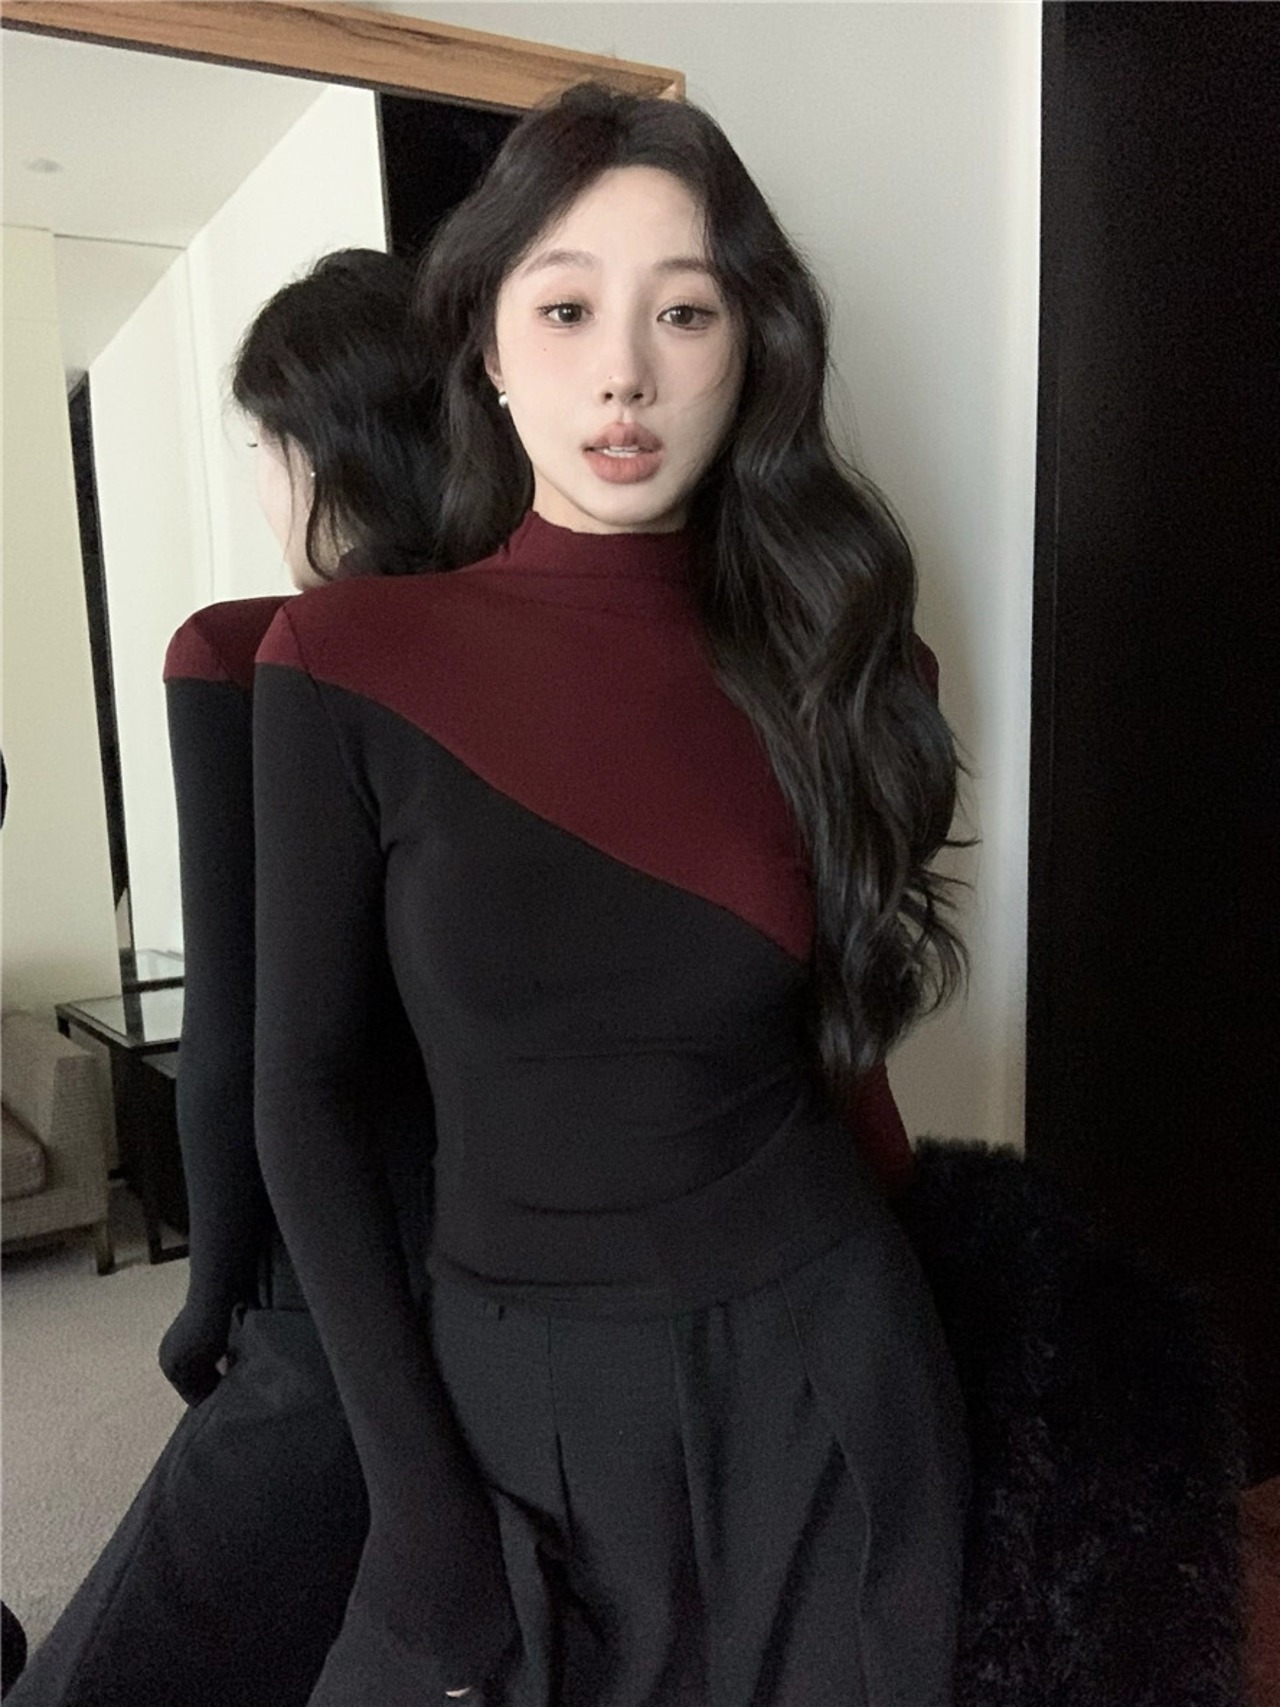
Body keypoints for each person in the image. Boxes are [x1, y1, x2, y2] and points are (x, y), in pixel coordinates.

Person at [252, 84, 970, 1707]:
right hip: (508, 1391)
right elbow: (302, 1094)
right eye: (567, 309)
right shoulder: (348, 661)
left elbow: (841, 1062)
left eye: (686, 312)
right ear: (491, 349)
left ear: (752, 349)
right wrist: (416, 1504)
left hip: (826, 1366)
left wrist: (987, 1300)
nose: (625, 373)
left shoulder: (852, 667)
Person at [7, 248, 441, 1707]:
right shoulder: (560, 645)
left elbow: (239, 1031)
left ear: (323, 450)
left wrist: (209, 1296)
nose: (262, 481)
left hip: (334, 1279)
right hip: (544, 1275)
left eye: (262, 447)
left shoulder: (250, 652)